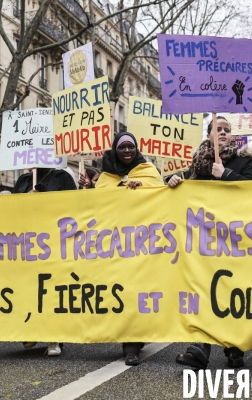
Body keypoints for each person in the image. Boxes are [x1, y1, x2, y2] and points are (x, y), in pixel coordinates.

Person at [169, 116, 252, 369]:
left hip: (236, 239)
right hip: (205, 241)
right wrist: (175, 181)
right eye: (218, 129)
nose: (223, 133)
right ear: (208, 134)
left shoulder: (244, 161)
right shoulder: (198, 165)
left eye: (227, 130)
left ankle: (234, 348)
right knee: (205, 291)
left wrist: (227, 174)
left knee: (233, 293)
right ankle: (200, 349)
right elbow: (186, 190)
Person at [96, 131, 164, 365]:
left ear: (137, 150)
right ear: (115, 149)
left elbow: (161, 197)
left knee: (138, 290)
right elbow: (98, 205)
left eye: (131, 147)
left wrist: (142, 190)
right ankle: (130, 337)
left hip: (142, 243)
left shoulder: (148, 171)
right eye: (122, 147)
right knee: (122, 291)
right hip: (114, 244)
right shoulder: (105, 176)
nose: (127, 151)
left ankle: (132, 345)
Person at [17, 166, 76, 356]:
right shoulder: (24, 180)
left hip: (55, 241)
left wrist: (46, 200)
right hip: (28, 244)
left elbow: (74, 205)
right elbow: (11, 209)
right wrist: (27, 198)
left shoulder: (63, 178)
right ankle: (32, 330)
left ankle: (53, 339)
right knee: (30, 289)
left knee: (52, 289)